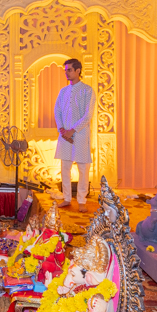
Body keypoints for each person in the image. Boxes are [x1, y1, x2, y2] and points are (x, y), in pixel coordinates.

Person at [54, 58, 95, 212]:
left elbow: (88, 115)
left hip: (81, 135)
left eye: (69, 70)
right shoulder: (63, 91)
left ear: (78, 71)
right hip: (65, 136)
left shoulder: (87, 90)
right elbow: (57, 111)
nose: (67, 73)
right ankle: (66, 198)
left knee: (83, 168)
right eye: (65, 70)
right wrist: (62, 129)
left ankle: (82, 200)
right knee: (65, 167)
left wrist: (73, 130)